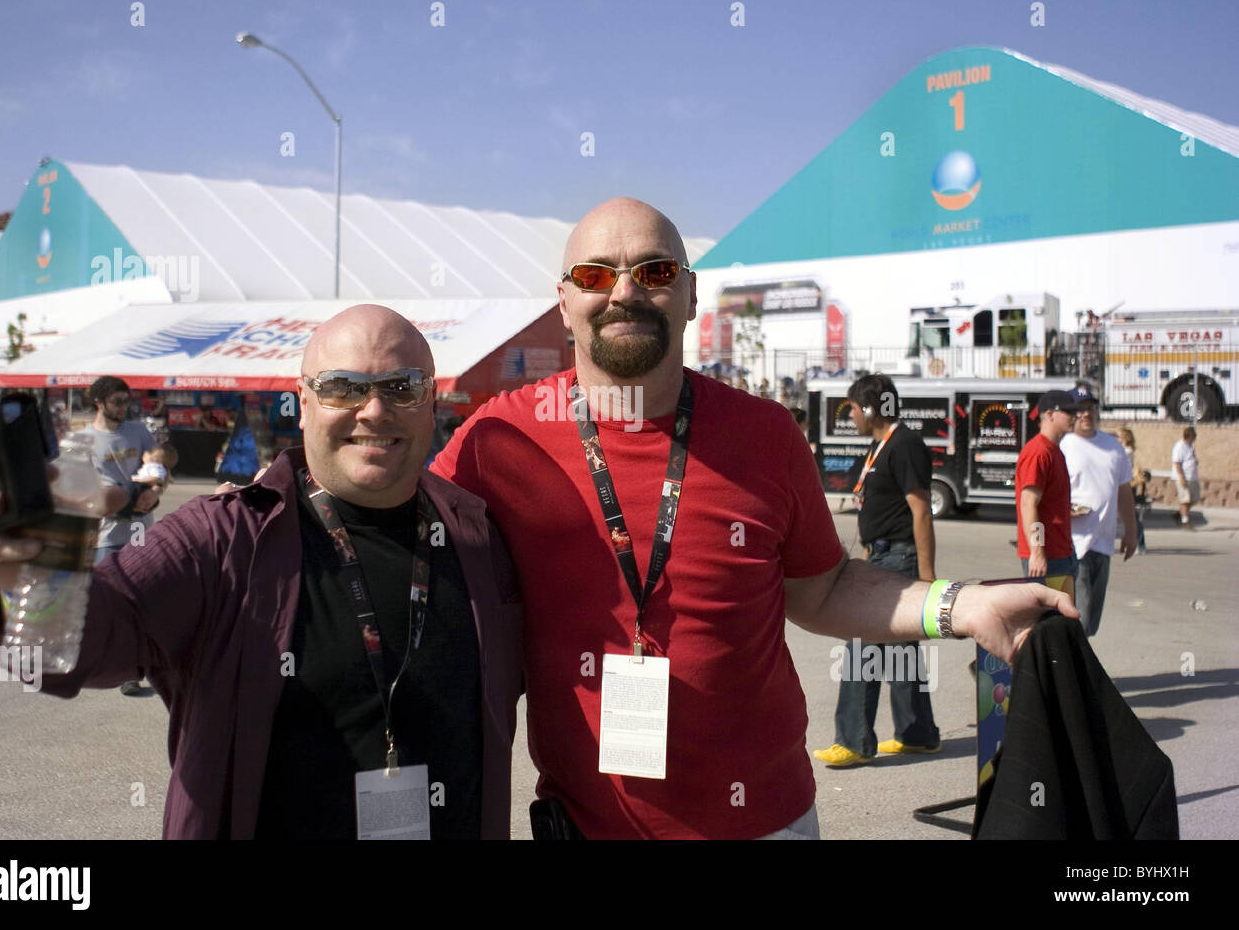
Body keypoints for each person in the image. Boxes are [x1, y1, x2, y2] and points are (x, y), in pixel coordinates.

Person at [433, 196, 1077, 839]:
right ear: (565, 303)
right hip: (587, 824)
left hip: (765, 821)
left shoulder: (765, 434)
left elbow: (823, 588)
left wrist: (960, 605)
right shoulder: (498, 441)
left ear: (690, 294)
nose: (624, 292)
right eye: (596, 275)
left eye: (654, 272)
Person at [0, 305, 523, 839]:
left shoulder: (477, 537)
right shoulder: (222, 540)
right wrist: (33, 576)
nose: (374, 410)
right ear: (303, 403)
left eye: (401, 388)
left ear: (431, 402)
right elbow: (76, 648)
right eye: (342, 388)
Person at [813, 374, 940, 767]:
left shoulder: (904, 445)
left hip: (899, 560)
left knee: (861, 648)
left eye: (852, 407)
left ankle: (852, 741)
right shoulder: (881, 445)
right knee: (900, 650)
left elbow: (920, 510)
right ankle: (918, 733)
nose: (850, 415)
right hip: (882, 556)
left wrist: (927, 575)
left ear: (870, 407)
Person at [81, 376, 161, 695]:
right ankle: (111, 662)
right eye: (117, 401)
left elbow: (158, 467)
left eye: (127, 401)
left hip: (141, 527)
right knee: (110, 601)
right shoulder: (83, 440)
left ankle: (134, 667)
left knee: (143, 598)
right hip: (107, 532)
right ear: (99, 402)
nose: (124, 407)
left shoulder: (138, 431)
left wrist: (155, 490)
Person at [1060, 390, 1136, 637]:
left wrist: (1131, 532)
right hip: (1074, 544)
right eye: (1080, 409)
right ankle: (1076, 675)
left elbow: (1124, 491)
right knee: (1078, 619)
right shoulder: (1064, 445)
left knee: (1091, 623)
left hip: (1104, 544)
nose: (1086, 414)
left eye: (1090, 408)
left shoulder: (1113, 447)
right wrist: (1064, 512)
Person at [1015, 390, 1078, 580]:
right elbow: (1028, 504)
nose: (1075, 417)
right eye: (1069, 412)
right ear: (1050, 415)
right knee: (1049, 610)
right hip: (1047, 558)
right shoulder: (1039, 452)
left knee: (1063, 610)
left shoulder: (1055, 451)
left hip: (1062, 553)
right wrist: (1037, 552)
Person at [1118, 427, 1148, 555]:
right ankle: (1139, 543)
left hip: (1127, 486)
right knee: (1129, 516)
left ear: (1125, 438)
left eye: (1119, 437)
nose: (1117, 439)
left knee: (1131, 516)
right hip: (1124, 485)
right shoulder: (1125, 451)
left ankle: (1139, 543)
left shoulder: (1127, 452)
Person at [1171, 426, 1200, 529]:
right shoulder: (1180, 446)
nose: (1194, 439)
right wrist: (1182, 477)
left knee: (1194, 499)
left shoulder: (1191, 446)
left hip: (1192, 477)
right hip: (1183, 477)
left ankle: (1179, 514)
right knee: (1185, 500)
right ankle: (1185, 521)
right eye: (1193, 437)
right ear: (1188, 436)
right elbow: (1177, 463)